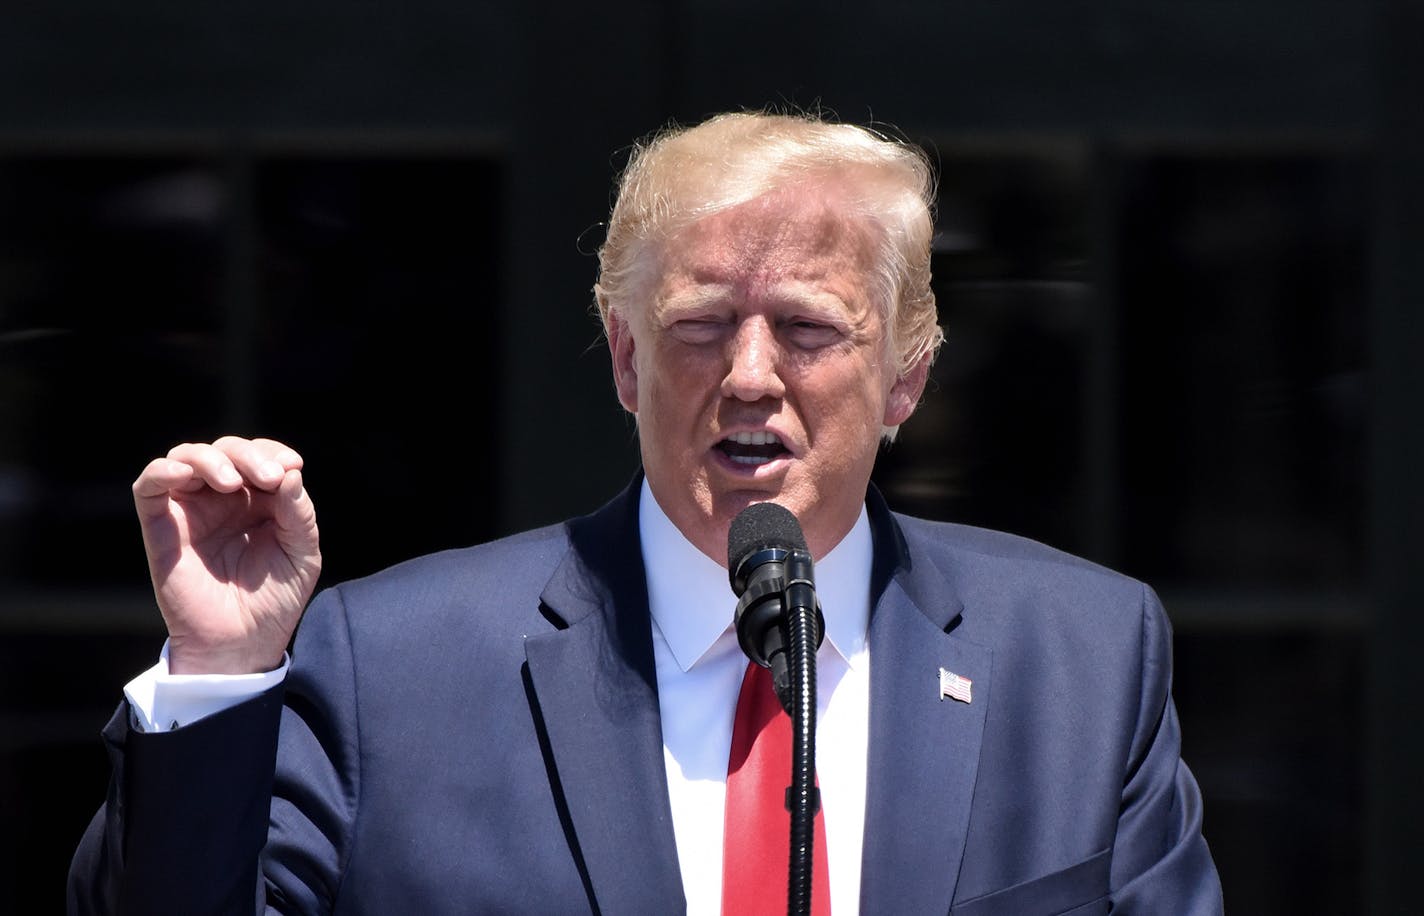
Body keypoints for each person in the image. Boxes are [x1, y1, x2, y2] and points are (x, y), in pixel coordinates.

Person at [69, 112, 1222, 914]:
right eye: (700, 325)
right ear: (625, 359)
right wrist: (220, 672)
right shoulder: (395, 665)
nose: (751, 375)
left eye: (809, 329)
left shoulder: (1077, 656)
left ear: (905, 377)